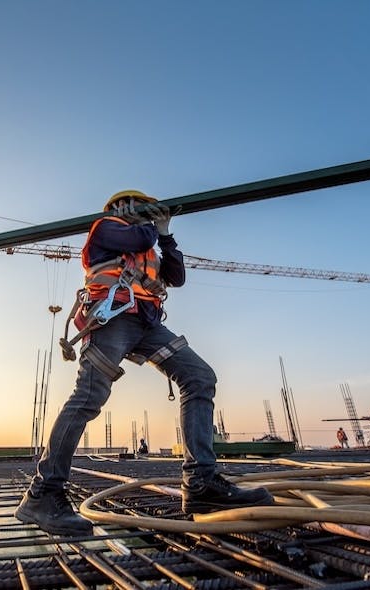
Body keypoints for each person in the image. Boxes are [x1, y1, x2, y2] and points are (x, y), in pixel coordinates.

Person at [15, 189, 274, 536]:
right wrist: (149, 223)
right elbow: (140, 234)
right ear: (120, 208)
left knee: (199, 377)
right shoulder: (106, 228)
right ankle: (43, 493)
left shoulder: (148, 244)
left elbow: (176, 277)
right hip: (112, 317)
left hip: (147, 323)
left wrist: (167, 236)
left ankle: (200, 484)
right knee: (89, 395)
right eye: (136, 207)